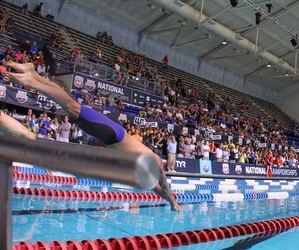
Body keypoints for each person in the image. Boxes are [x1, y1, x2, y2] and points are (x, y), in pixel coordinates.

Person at [4, 62, 180, 211]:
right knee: (71, 107)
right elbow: (163, 181)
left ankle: (33, 72)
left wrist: (170, 201)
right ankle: (31, 82)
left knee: (69, 102)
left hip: (112, 135)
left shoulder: (146, 171)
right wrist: (172, 201)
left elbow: (158, 188)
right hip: (112, 134)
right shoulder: (155, 160)